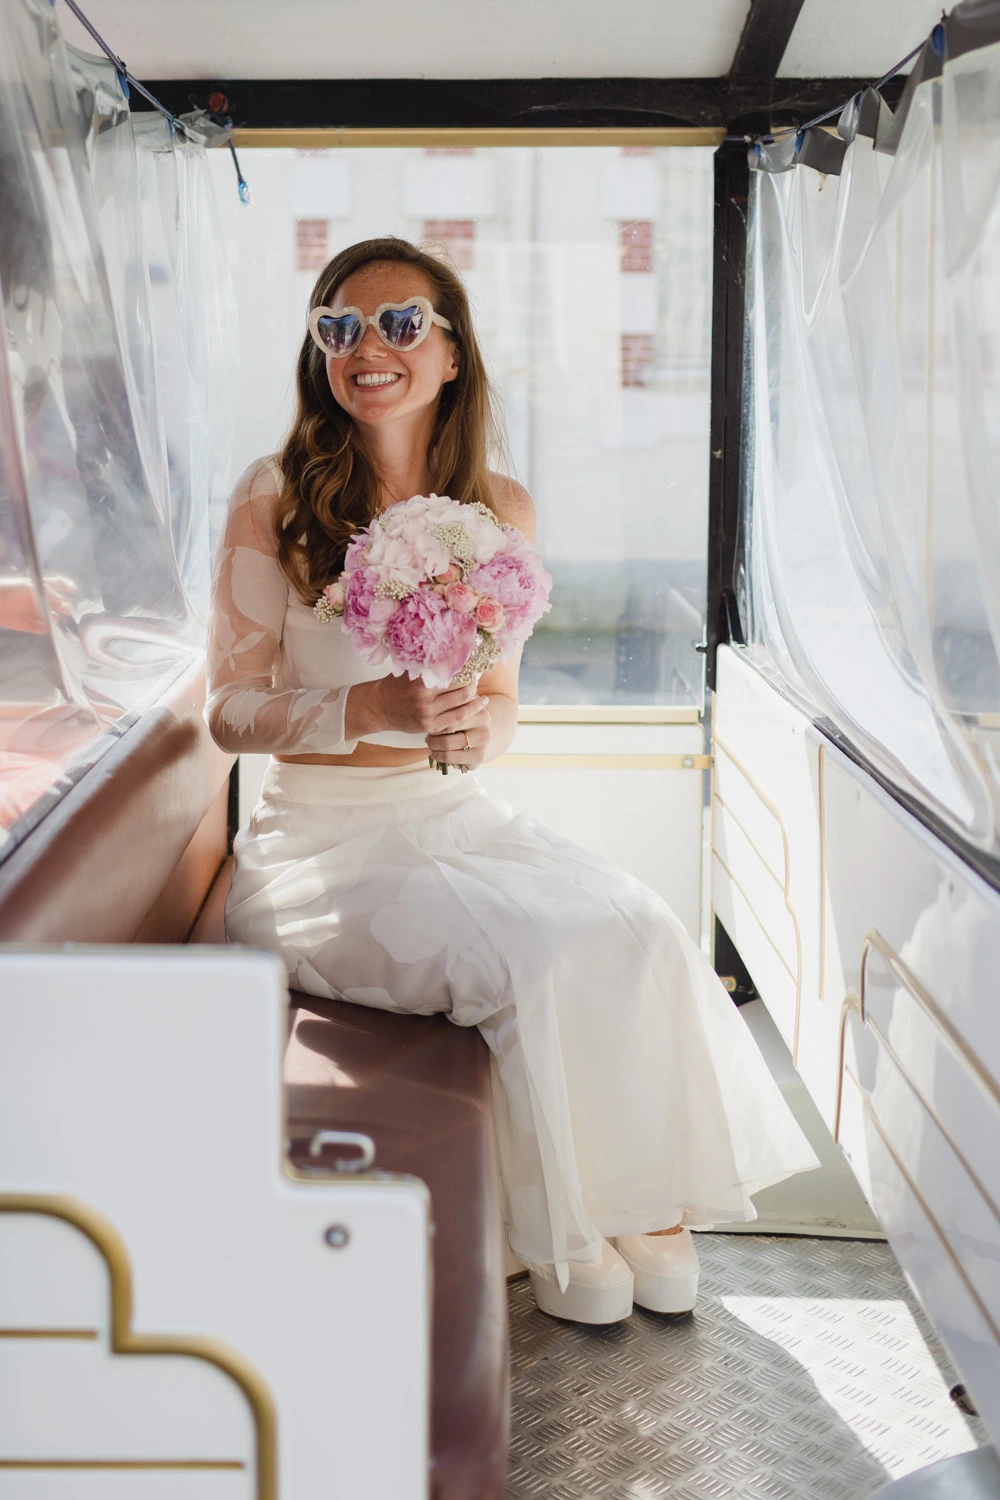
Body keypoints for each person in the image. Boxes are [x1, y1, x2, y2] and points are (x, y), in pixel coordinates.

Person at [206, 236, 818, 1324]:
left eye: (401, 324)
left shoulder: (502, 506)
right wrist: (368, 710)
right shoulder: (276, 495)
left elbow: (500, 709)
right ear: (319, 355)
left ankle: (640, 1202)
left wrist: (459, 737)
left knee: (637, 925)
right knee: (531, 951)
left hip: (451, 815)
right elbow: (230, 710)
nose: (368, 348)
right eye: (337, 327)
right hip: (317, 846)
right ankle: (565, 1234)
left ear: (450, 353)